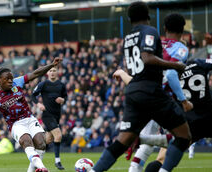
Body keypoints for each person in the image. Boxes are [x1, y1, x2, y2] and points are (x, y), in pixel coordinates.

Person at [90, 2, 191, 172]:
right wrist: (176, 66)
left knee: (122, 142)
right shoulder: (150, 32)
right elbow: (147, 58)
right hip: (152, 91)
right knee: (184, 136)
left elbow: (137, 64)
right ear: (149, 16)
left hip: (133, 91)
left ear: (129, 19)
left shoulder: (128, 37)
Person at [128, 13, 193, 172]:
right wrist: (183, 100)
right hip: (161, 98)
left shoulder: (155, 44)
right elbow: (171, 74)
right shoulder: (181, 48)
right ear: (182, 30)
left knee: (149, 142)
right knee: (183, 137)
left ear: (165, 28)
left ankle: (134, 167)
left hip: (143, 92)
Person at [0, 57, 62, 172]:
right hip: (15, 124)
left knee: (41, 143)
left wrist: (51, 65)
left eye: (11, 78)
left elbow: (35, 73)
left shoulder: (17, 82)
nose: (11, 81)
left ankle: (39, 168)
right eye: (7, 79)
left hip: (29, 119)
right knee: (27, 141)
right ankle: (43, 168)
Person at [31, 67, 67, 170]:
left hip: (57, 115)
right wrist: (38, 104)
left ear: (57, 73)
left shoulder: (61, 85)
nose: (52, 72)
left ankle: (35, 157)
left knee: (48, 140)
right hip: (47, 115)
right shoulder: (43, 84)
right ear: (47, 73)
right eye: (50, 71)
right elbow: (33, 95)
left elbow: (65, 97)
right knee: (58, 135)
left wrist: (62, 100)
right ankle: (57, 161)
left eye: (54, 71)